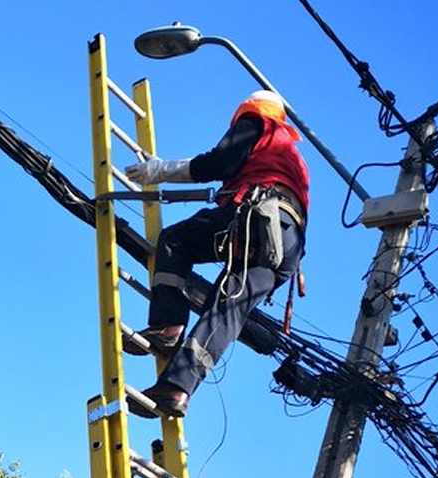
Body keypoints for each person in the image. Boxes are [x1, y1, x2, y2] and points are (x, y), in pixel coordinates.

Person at [122, 90, 309, 418]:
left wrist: (161, 170)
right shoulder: (292, 158)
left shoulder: (258, 122)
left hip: (257, 216)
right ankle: (177, 388)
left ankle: (167, 325)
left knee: (175, 241)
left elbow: (219, 161)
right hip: (286, 249)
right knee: (226, 310)